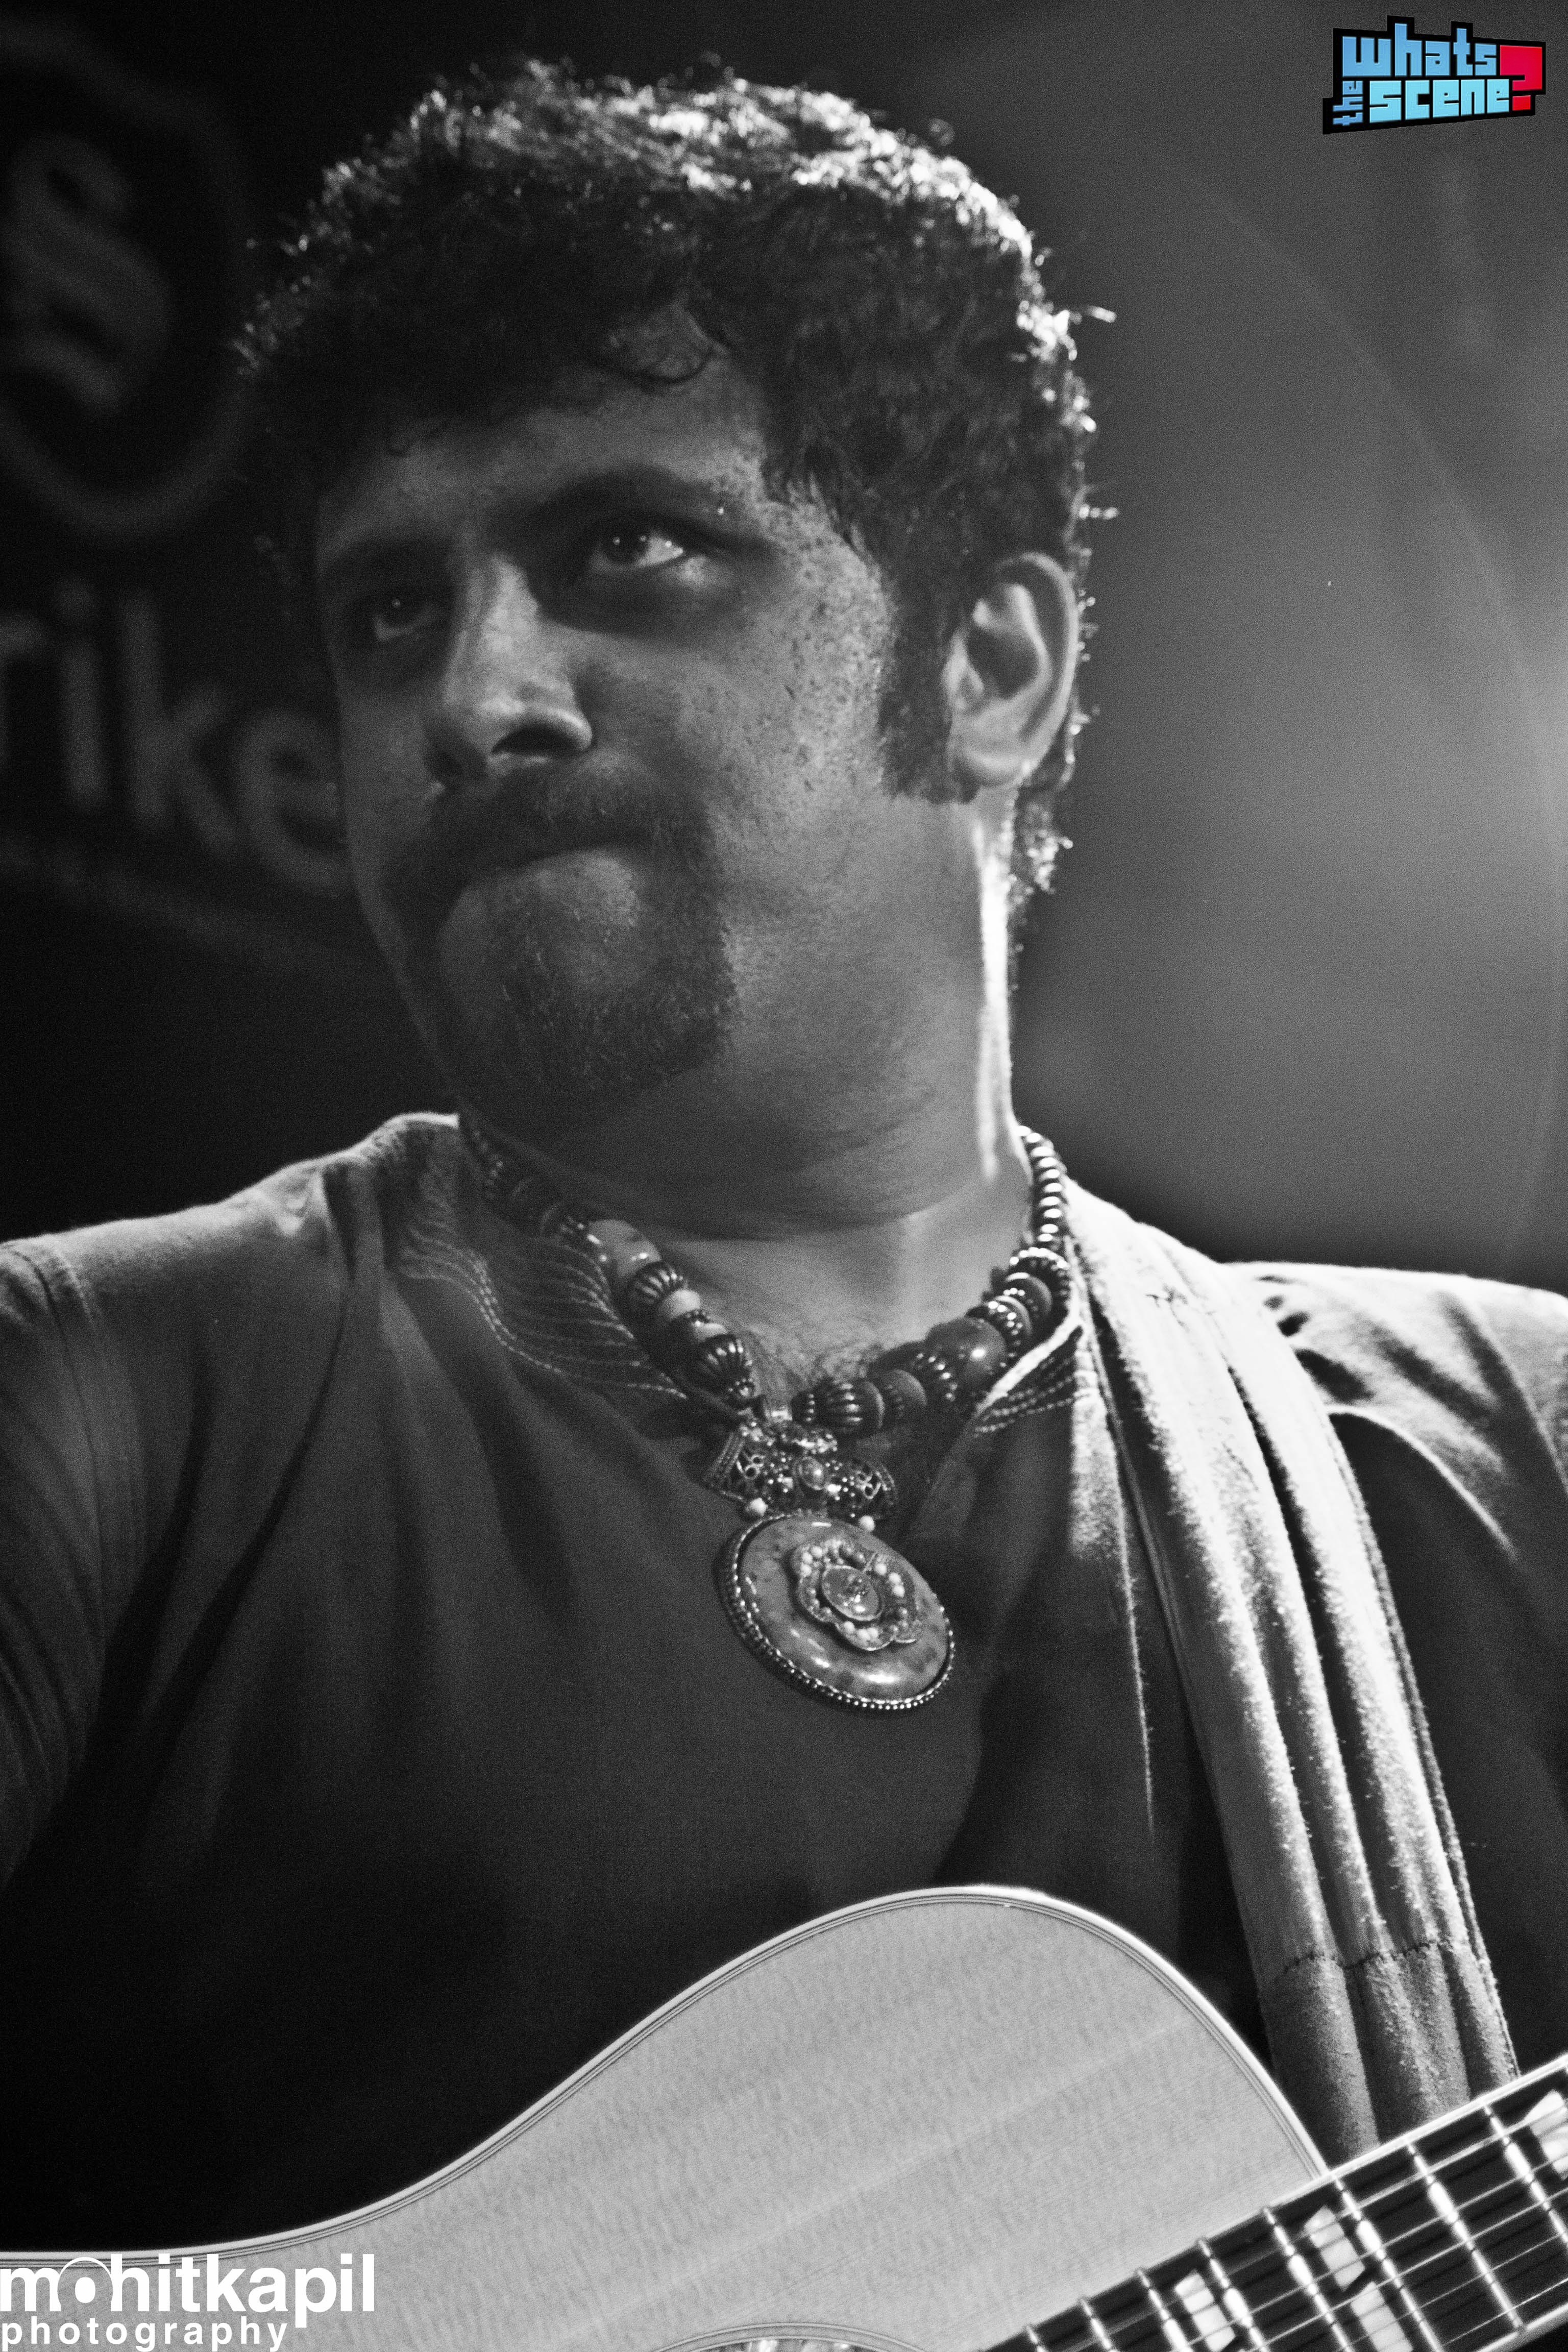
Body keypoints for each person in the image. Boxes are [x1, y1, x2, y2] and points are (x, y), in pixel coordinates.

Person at [1, 59, 1565, 2252]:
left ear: (992, 667)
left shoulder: (1516, 1452)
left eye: (626, 551)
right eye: (392, 611)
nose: (476, 696)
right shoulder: (90, 1396)